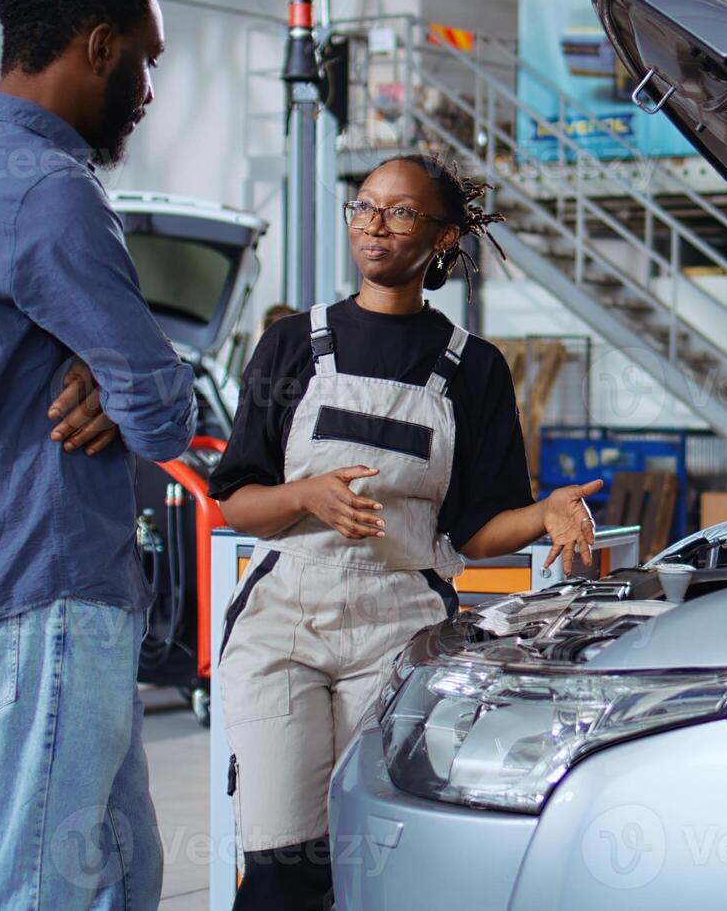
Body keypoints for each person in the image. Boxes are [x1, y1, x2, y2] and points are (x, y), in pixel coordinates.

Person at [208, 153, 604, 909]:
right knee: (279, 863)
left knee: (374, 861)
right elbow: (237, 503)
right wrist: (308, 496)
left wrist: (545, 512)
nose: (374, 226)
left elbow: (479, 529)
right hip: (283, 624)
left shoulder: (472, 369)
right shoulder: (291, 345)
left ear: (444, 238)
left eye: (399, 213)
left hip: (399, 629)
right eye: (364, 207)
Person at [0, 0, 189, 909]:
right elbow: (162, 411)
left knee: (120, 871)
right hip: (47, 583)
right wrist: (126, 378)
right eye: (147, 58)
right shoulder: (54, 193)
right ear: (100, 47)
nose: (149, 87)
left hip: (20, 575)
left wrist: (109, 372)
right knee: (41, 887)